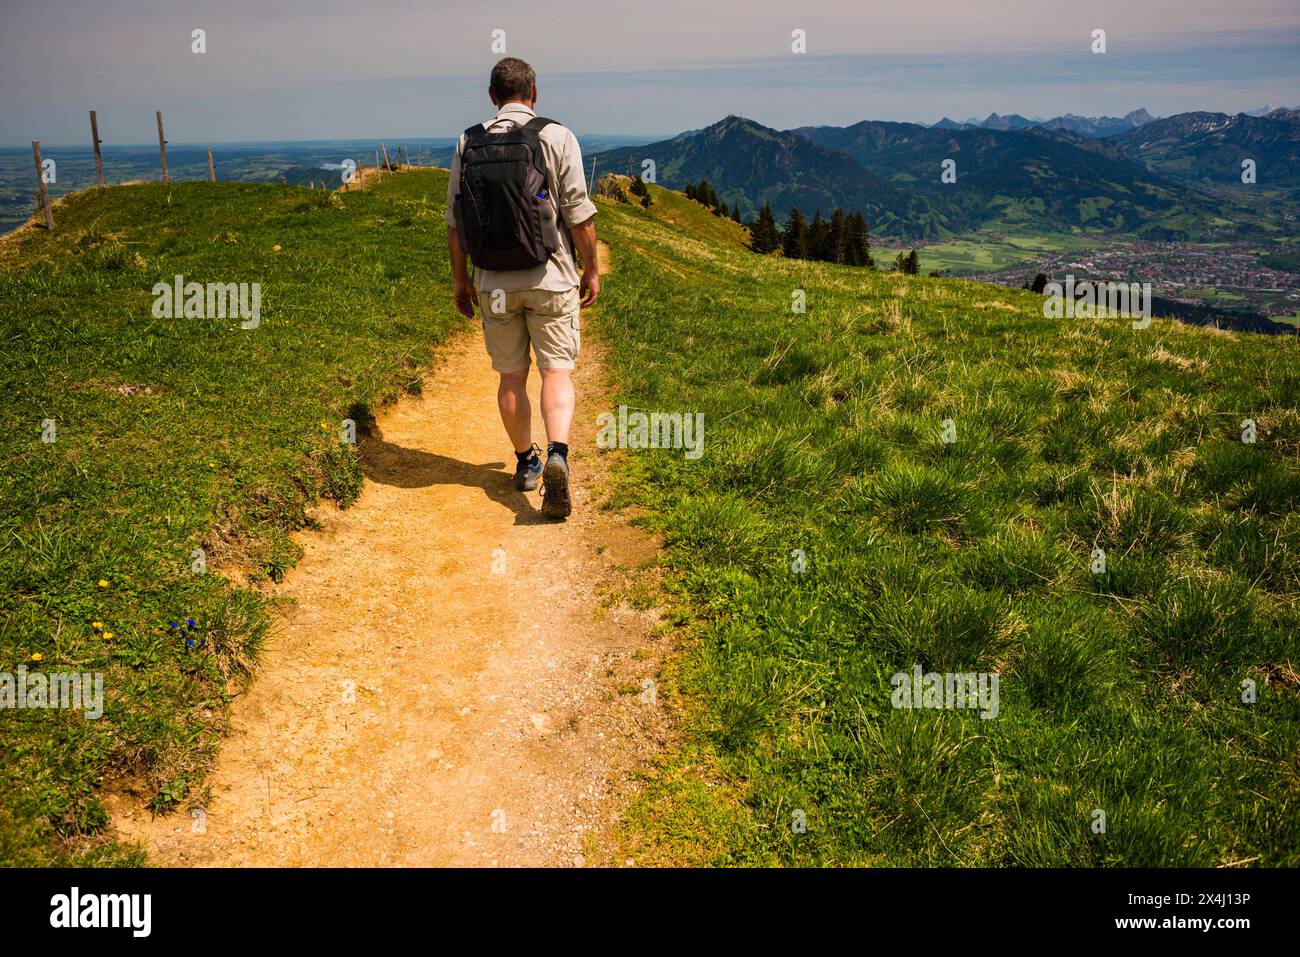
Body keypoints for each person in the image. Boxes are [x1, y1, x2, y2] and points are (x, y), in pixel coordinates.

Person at [445, 56, 599, 520]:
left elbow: (455, 222)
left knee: (511, 376)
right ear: (534, 92)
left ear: (492, 96)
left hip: (492, 279)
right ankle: (558, 454)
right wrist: (590, 270)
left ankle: (527, 462)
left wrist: (460, 279)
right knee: (556, 372)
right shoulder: (557, 136)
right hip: (549, 276)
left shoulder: (468, 140)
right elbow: (579, 214)